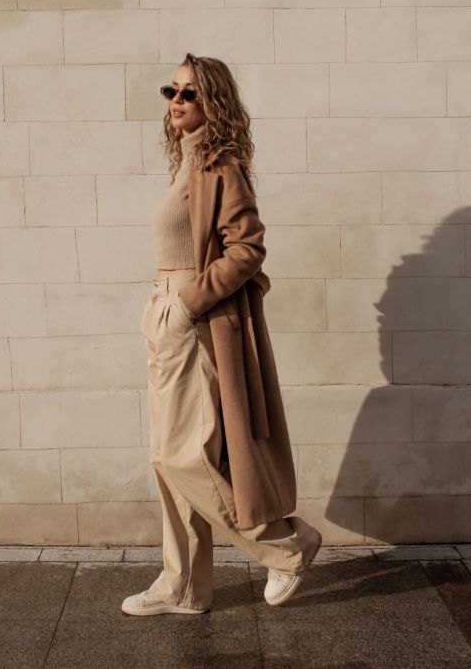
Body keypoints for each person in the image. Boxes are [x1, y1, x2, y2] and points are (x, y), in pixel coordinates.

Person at [122, 53, 323, 616]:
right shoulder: (186, 164)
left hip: (192, 317)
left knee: (181, 456)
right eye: (171, 91)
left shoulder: (218, 165)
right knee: (167, 459)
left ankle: (286, 546)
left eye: (189, 93)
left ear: (214, 103)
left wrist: (189, 301)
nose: (176, 102)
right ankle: (184, 586)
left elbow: (248, 247)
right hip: (166, 313)